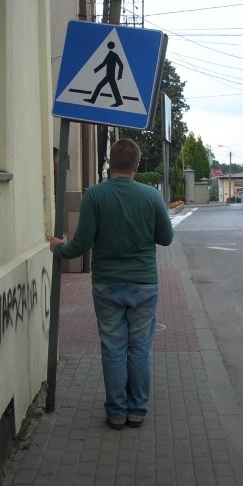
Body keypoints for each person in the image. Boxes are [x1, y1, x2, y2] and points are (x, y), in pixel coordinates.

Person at [49, 138, 174, 430]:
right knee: (140, 347)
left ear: (109, 165)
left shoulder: (94, 196)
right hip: (143, 283)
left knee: (113, 347)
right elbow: (166, 238)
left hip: (107, 285)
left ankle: (116, 413)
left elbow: (81, 243)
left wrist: (59, 248)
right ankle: (137, 411)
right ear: (137, 165)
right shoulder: (151, 197)